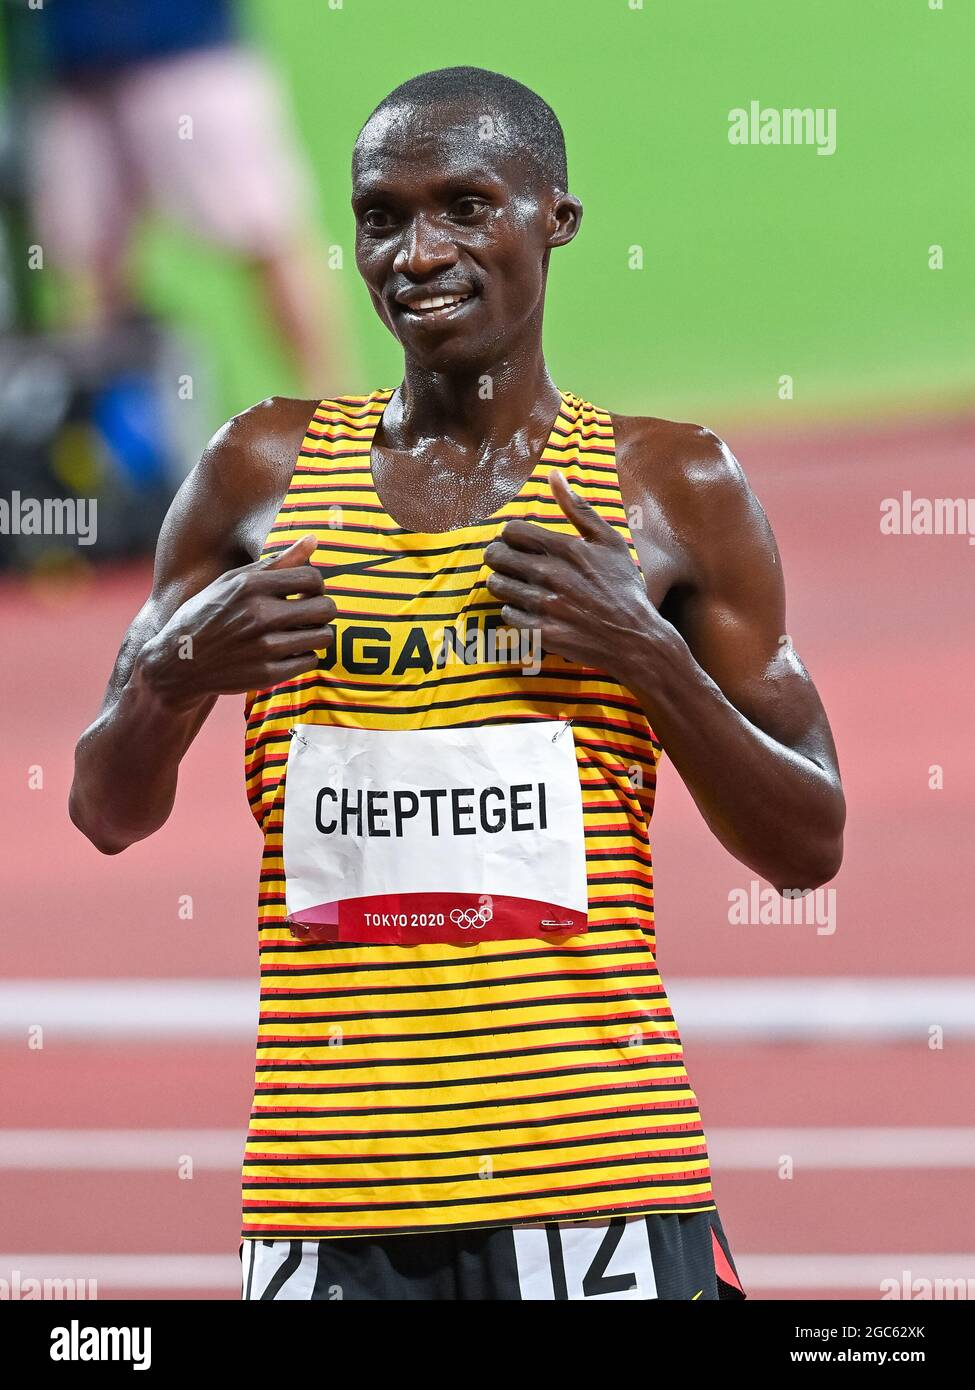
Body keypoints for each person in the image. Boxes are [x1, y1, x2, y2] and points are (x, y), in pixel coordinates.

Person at [69, 66, 845, 1301]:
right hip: (326, 1194)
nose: (418, 253)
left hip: (597, 1181)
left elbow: (809, 842)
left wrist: (649, 660)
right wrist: (173, 677)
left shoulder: (670, 487)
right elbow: (106, 811)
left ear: (558, 219)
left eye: (468, 206)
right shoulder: (258, 472)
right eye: (383, 215)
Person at [29, 0, 351, 395]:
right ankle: (98, 433)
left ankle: (338, 412)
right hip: (71, 64)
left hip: (189, 51)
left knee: (266, 234)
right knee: (86, 266)